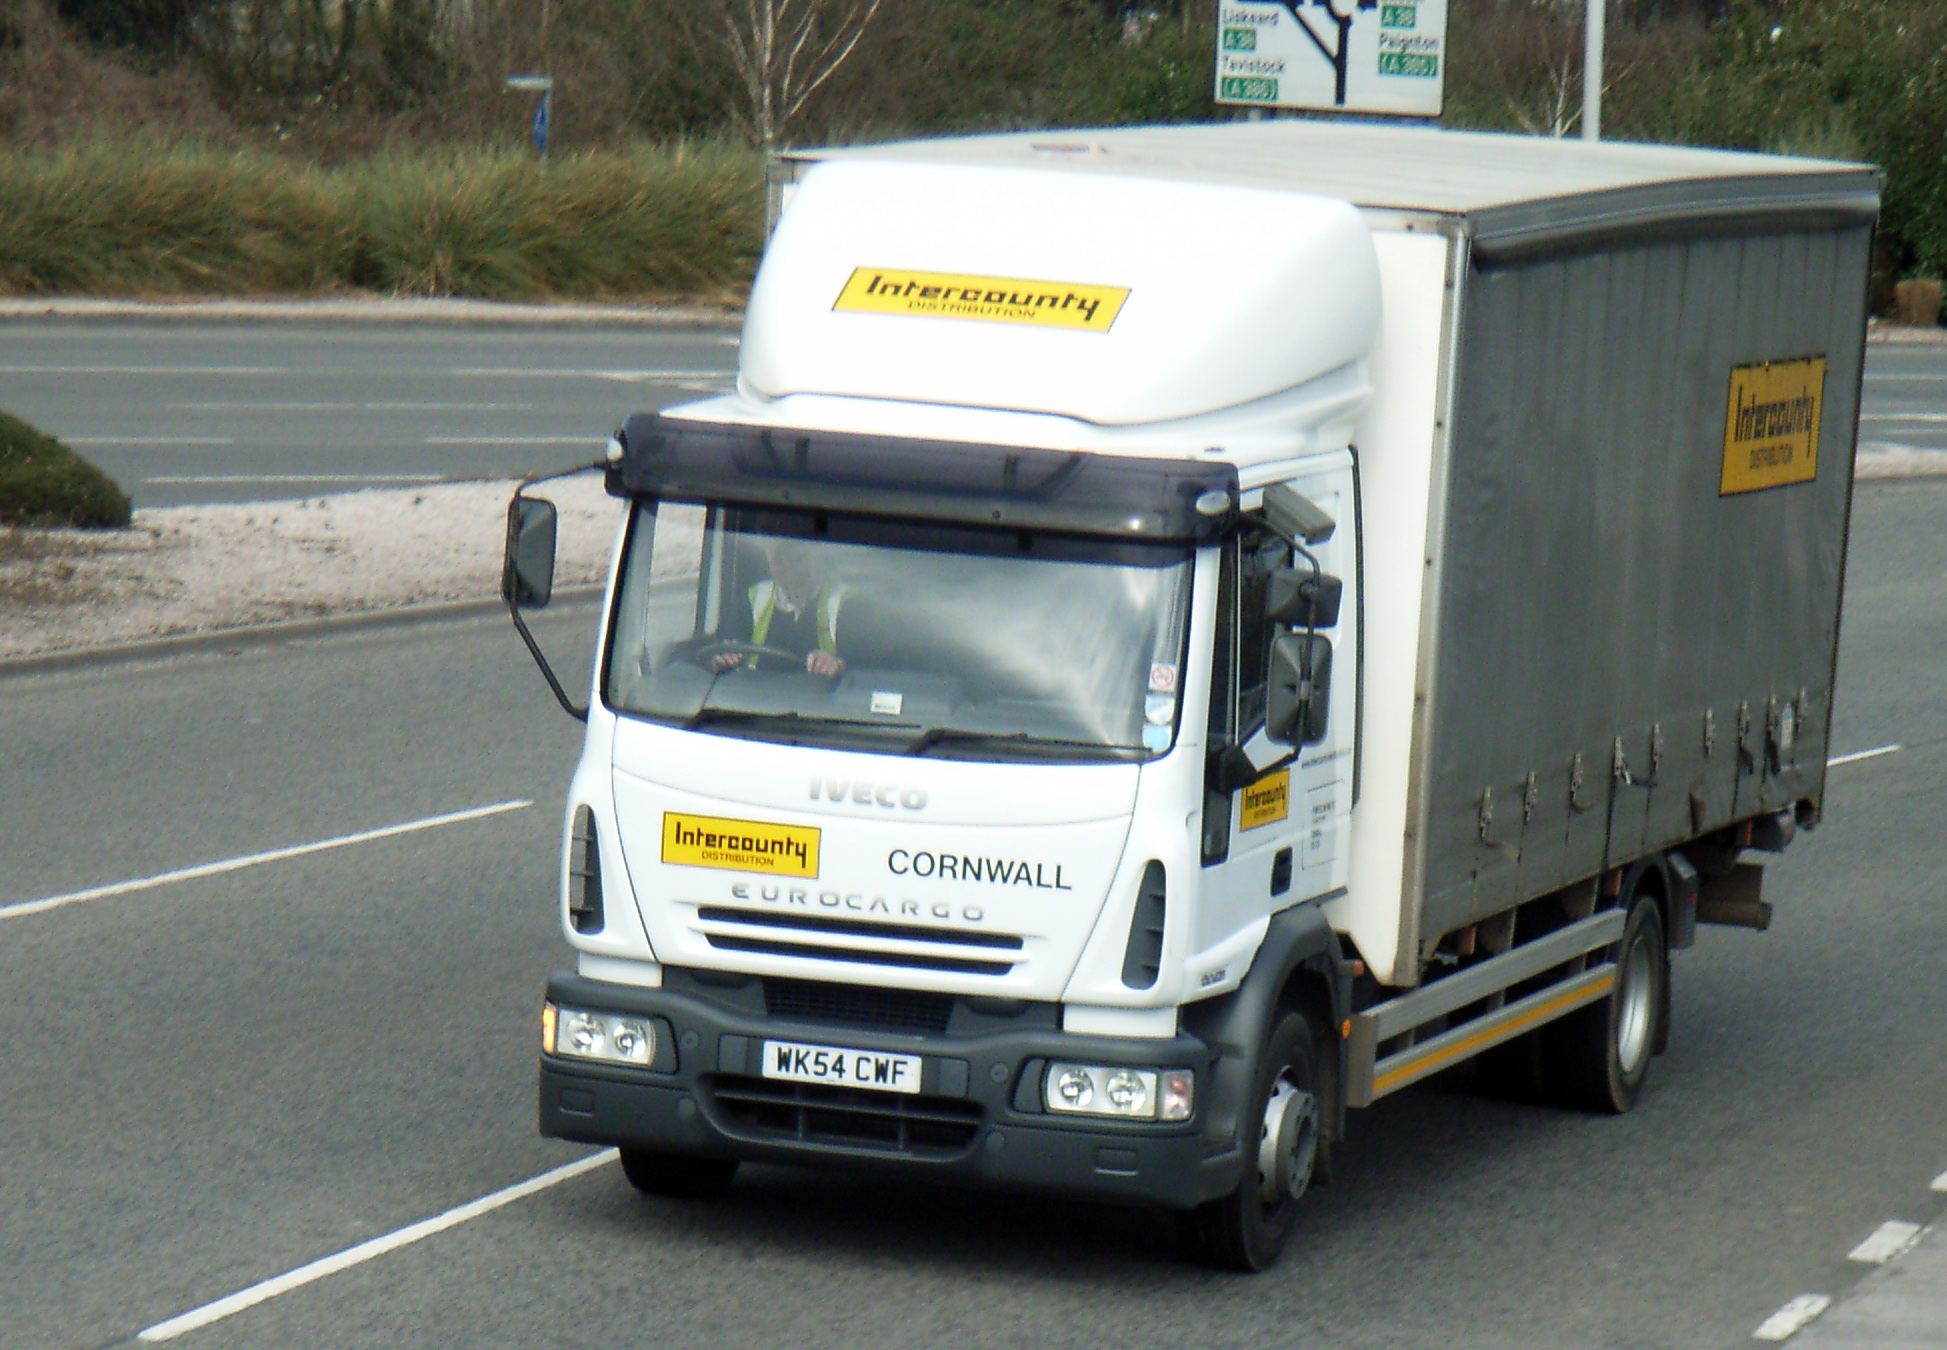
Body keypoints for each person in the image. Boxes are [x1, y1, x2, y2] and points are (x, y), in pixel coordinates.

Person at [715, 536, 852, 676]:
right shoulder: (752, 599)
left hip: (821, 695)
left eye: (793, 553)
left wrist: (837, 664)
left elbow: (865, 668)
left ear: (814, 552)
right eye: (775, 555)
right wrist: (724, 657)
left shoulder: (847, 603)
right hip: (758, 694)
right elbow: (723, 647)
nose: (783, 562)